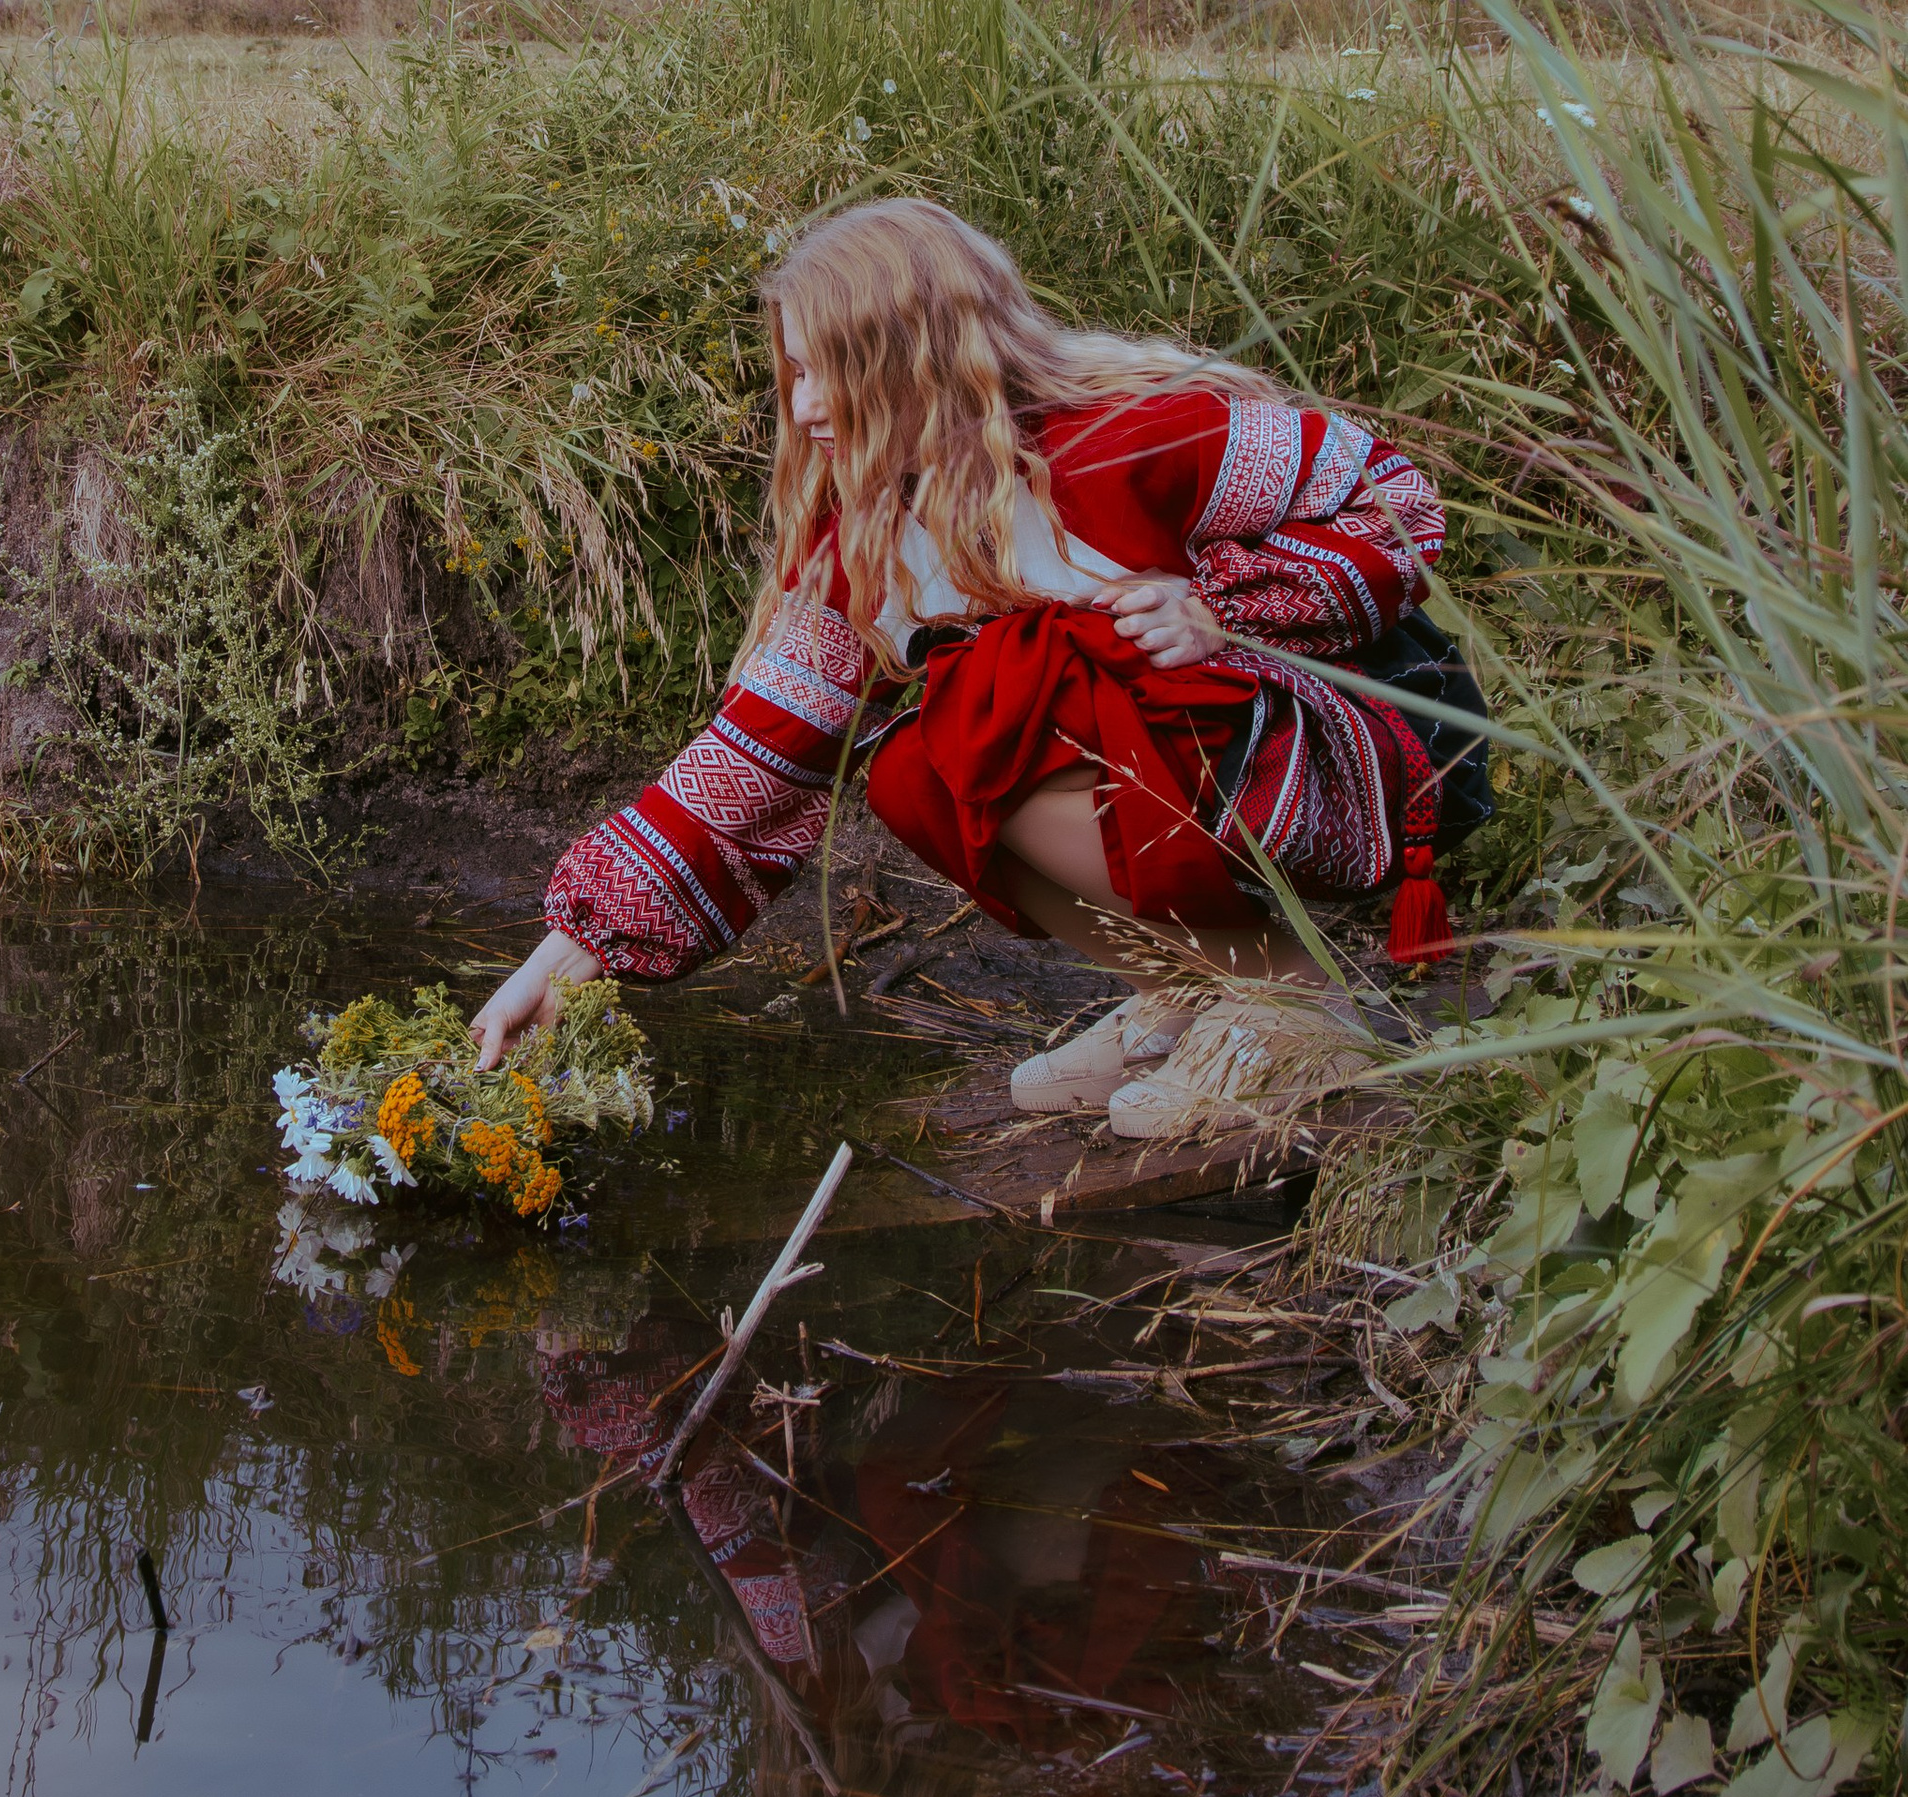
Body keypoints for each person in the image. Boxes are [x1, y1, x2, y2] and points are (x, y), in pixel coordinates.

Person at [472, 195, 1450, 1145]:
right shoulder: (867, 539)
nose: (803, 408)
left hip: (1341, 760)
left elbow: (1396, 499)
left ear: (916, 360)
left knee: (1005, 686)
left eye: (829, 374)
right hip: (1191, 776)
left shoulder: (1121, 440)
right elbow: (755, 754)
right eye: (795, 373)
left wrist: (1217, 608)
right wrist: (557, 967)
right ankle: (1186, 987)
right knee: (909, 771)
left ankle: (1292, 1001)